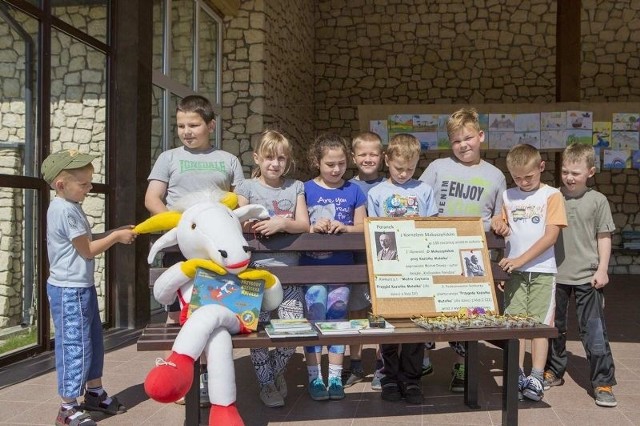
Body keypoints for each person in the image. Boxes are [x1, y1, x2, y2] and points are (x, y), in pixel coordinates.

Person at [144, 94, 244, 406]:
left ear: (210, 125)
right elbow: (152, 199)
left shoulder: (228, 160)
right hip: (180, 248)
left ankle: (206, 377)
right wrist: (176, 228)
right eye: (181, 125)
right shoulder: (169, 158)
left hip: (215, 252)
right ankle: (175, 375)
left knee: (207, 312)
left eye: (194, 124)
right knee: (177, 316)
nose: (187, 131)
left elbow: (239, 201)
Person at [42, 150, 137, 426]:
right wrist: (117, 237)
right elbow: (87, 250)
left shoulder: (71, 206)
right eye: (84, 184)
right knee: (74, 345)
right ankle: (67, 407)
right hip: (69, 290)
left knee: (93, 340)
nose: (90, 188)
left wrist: (113, 232)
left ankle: (94, 392)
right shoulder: (64, 210)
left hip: (80, 287)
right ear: (61, 185)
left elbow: (85, 240)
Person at [419, 107, 506, 392]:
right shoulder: (437, 168)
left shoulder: (495, 175)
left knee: (467, 311)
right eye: (456, 141)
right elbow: (420, 203)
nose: (463, 145)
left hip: (473, 255)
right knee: (429, 306)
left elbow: (500, 216)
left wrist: (498, 222)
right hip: (438, 248)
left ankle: (461, 364)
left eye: (468, 138)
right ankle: (423, 356)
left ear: (481, 136)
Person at [234, 130, 309, 408]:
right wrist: (250, 222)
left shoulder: (295, 186)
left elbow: (303, 224)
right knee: (257, 333)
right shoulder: (246, 187)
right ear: (257, 158)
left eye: (280, 158)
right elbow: (239, 221)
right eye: (268, 158)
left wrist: (281, 223)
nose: (274, 164)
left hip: (290, 274)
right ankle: (267, 384)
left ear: (287, 161)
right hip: (255, 273)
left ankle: (273, 373)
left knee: (293, 332)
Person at [491, 143, 567, 402]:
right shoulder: (507, 196)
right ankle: (516, 373)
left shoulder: (552, 195)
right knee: (514, 324)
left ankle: (536, 375)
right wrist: (497, 222)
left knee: (540, 325)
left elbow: (551, 236)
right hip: (513, 272)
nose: (523, 182)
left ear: (541, 168)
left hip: (542, 271)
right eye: (517, 177)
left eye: (529, 176)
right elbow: (500, 222)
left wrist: (521, 259)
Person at [544, 143, 618, 407]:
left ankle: (603, 382)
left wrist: (602, 269)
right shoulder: (552, 197)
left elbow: (604, 237)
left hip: (589, 277)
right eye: (565, 171)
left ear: (591, 172)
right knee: (556, 329)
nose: (569, 177)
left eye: (576, 172)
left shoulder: (598, 201)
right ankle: (554, 371)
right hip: (556, 276)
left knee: (594, 332)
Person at [367, 133, 438, 405]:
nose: (404, 174)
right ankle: (388, 376)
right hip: (387, 268)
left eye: (410, 169)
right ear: (387, 160)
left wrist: (417, 222)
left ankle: (411, 378)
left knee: (416, 325)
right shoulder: (376, 193)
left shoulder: (424, 191)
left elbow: (432, 226)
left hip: (417, 268)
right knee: (388, 324)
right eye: (399, 168)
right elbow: (372, 229)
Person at [301, 133, 367, 401]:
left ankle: (335, 378)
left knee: (338, 319)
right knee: (315, 318)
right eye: (330, 164)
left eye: (341, 163)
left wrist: (346, 227)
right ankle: (315, 378)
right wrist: (313, 227)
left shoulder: (354, 190)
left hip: (342, 269)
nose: (336, 169)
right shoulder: (304, 189)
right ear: (317, 161)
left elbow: (363, 227)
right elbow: (299, 222)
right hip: (312, 268)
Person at [343, 131, 386, 390]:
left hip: (383, 261)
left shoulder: (390, 186)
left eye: (373, 154)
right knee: (356, 310)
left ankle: (383, 364)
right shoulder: (347, 187)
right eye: (363, 154)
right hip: (356, 260)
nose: (368, 159)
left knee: (381, 311)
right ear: (353, 157)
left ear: (382, 157)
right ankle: (355, 362)